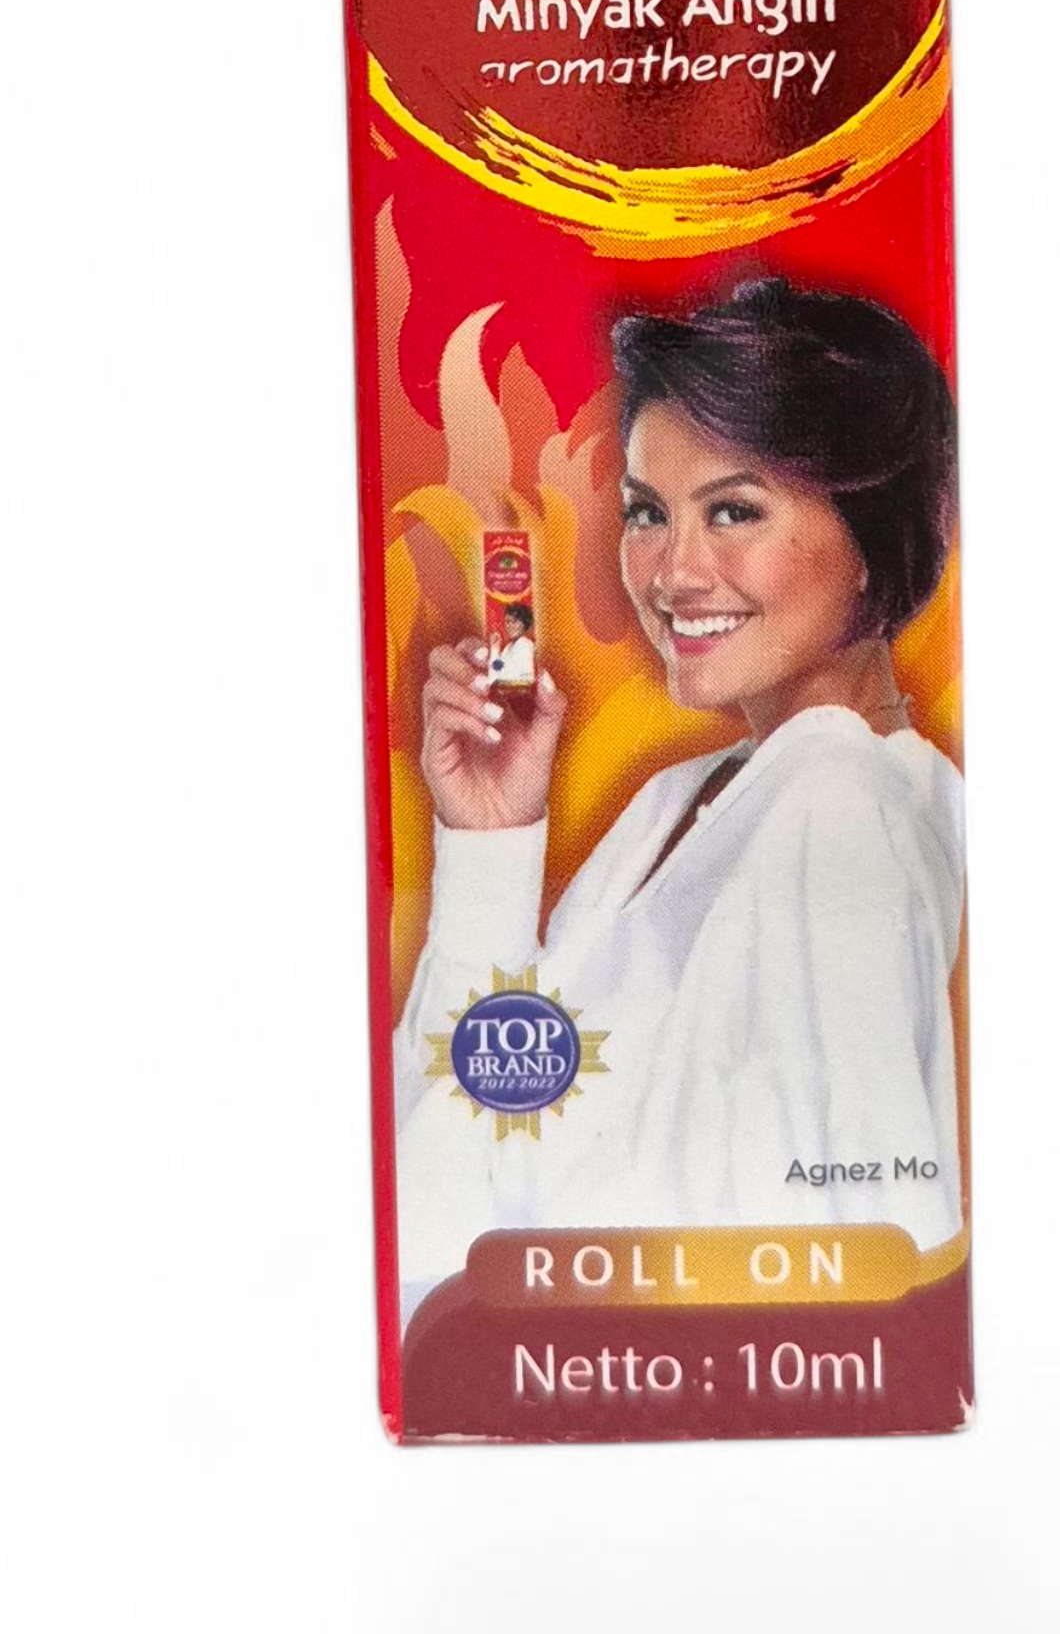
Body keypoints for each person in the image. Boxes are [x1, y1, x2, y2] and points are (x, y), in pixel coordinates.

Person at [392, 276, 966, 1315]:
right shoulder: (681, 800)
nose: (673, 572)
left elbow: (873, 1259)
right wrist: (490, 848)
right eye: (648, 513)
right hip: (572, 1368)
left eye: (734, 510)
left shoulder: (837, 800)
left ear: (869, 533)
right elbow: (441, 1205)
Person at [486, 600, 537, 688]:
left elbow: (506, 677)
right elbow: (495, 672)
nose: (510, 626)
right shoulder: (508, 648)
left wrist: (494, 680)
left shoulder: (524, 645)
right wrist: (495, 648)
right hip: (505, 690)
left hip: (519, 692)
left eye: (514, 622)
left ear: (524, 623)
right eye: (507, 622)